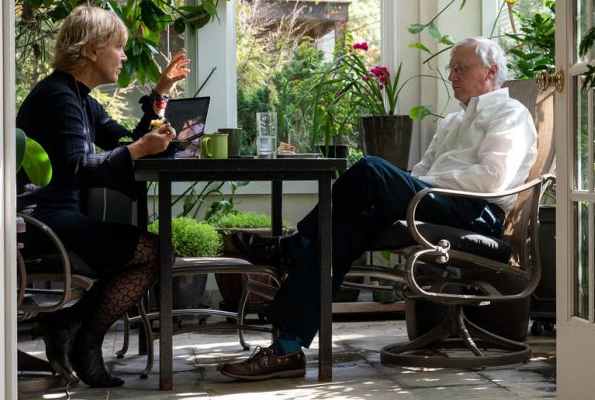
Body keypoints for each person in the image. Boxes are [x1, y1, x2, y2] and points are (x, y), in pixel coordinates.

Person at [219, 37, 538, 381]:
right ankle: (287, 348)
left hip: (476, 213)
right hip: (434, 202)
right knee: (341, 230)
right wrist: (419, 185)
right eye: (451, 68)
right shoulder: (452, 121)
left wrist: (424, 185)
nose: (452, 76)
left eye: (460, 68)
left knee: (371, 168)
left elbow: (492, 179)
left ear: (490, 71)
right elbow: (420, 171)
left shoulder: (510, 114)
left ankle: (296, 244)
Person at [16, 5, 190, 387]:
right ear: (92, 50)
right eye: (118, 47)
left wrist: (160, 94)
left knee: (157, 251)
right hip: (41, 223)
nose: (124, 56)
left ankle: (68, 326)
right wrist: (140, 149)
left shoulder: (78, 97)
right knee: (156, 252)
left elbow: (125, 140)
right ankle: (84, 339)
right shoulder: (58, 97)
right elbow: (79, 169)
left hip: (58, 218)